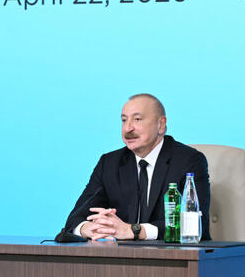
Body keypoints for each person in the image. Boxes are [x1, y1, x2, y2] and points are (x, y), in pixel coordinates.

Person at [64, 93, 210, 241]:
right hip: (123, 254)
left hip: (172, 252)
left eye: (137, 119)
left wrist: (135, 231)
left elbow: (195, 224)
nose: (128, 128)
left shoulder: (189, 161)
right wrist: (86, 228)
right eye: (124, 120)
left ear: (161, 125)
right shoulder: (109, 163)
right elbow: (74, 220)